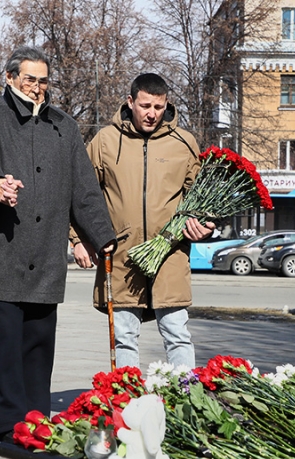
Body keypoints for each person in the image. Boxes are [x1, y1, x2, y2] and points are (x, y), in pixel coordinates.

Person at [0, 45, 116, 442]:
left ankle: (35, 420)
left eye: (43, 80)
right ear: (11, 78)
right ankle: (8, 424)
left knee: (37, 348)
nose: (37, 87)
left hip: (45, 256)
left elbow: (84, 189)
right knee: (1, 350)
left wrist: (102, 236)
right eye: (30, 79)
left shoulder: (63, 126)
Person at [74, 73, 215, 370]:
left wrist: (205, 222)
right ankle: (127, 403)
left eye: (159, 106)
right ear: (131, 102)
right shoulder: (105, 141)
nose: (152, 113)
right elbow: (81, 193)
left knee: (177, 332)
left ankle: (186, 400)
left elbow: (201, 198)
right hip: (121, 255)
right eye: (145, 105)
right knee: (124, 336)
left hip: (170, 254)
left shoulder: (184, 142)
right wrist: (79, 238)